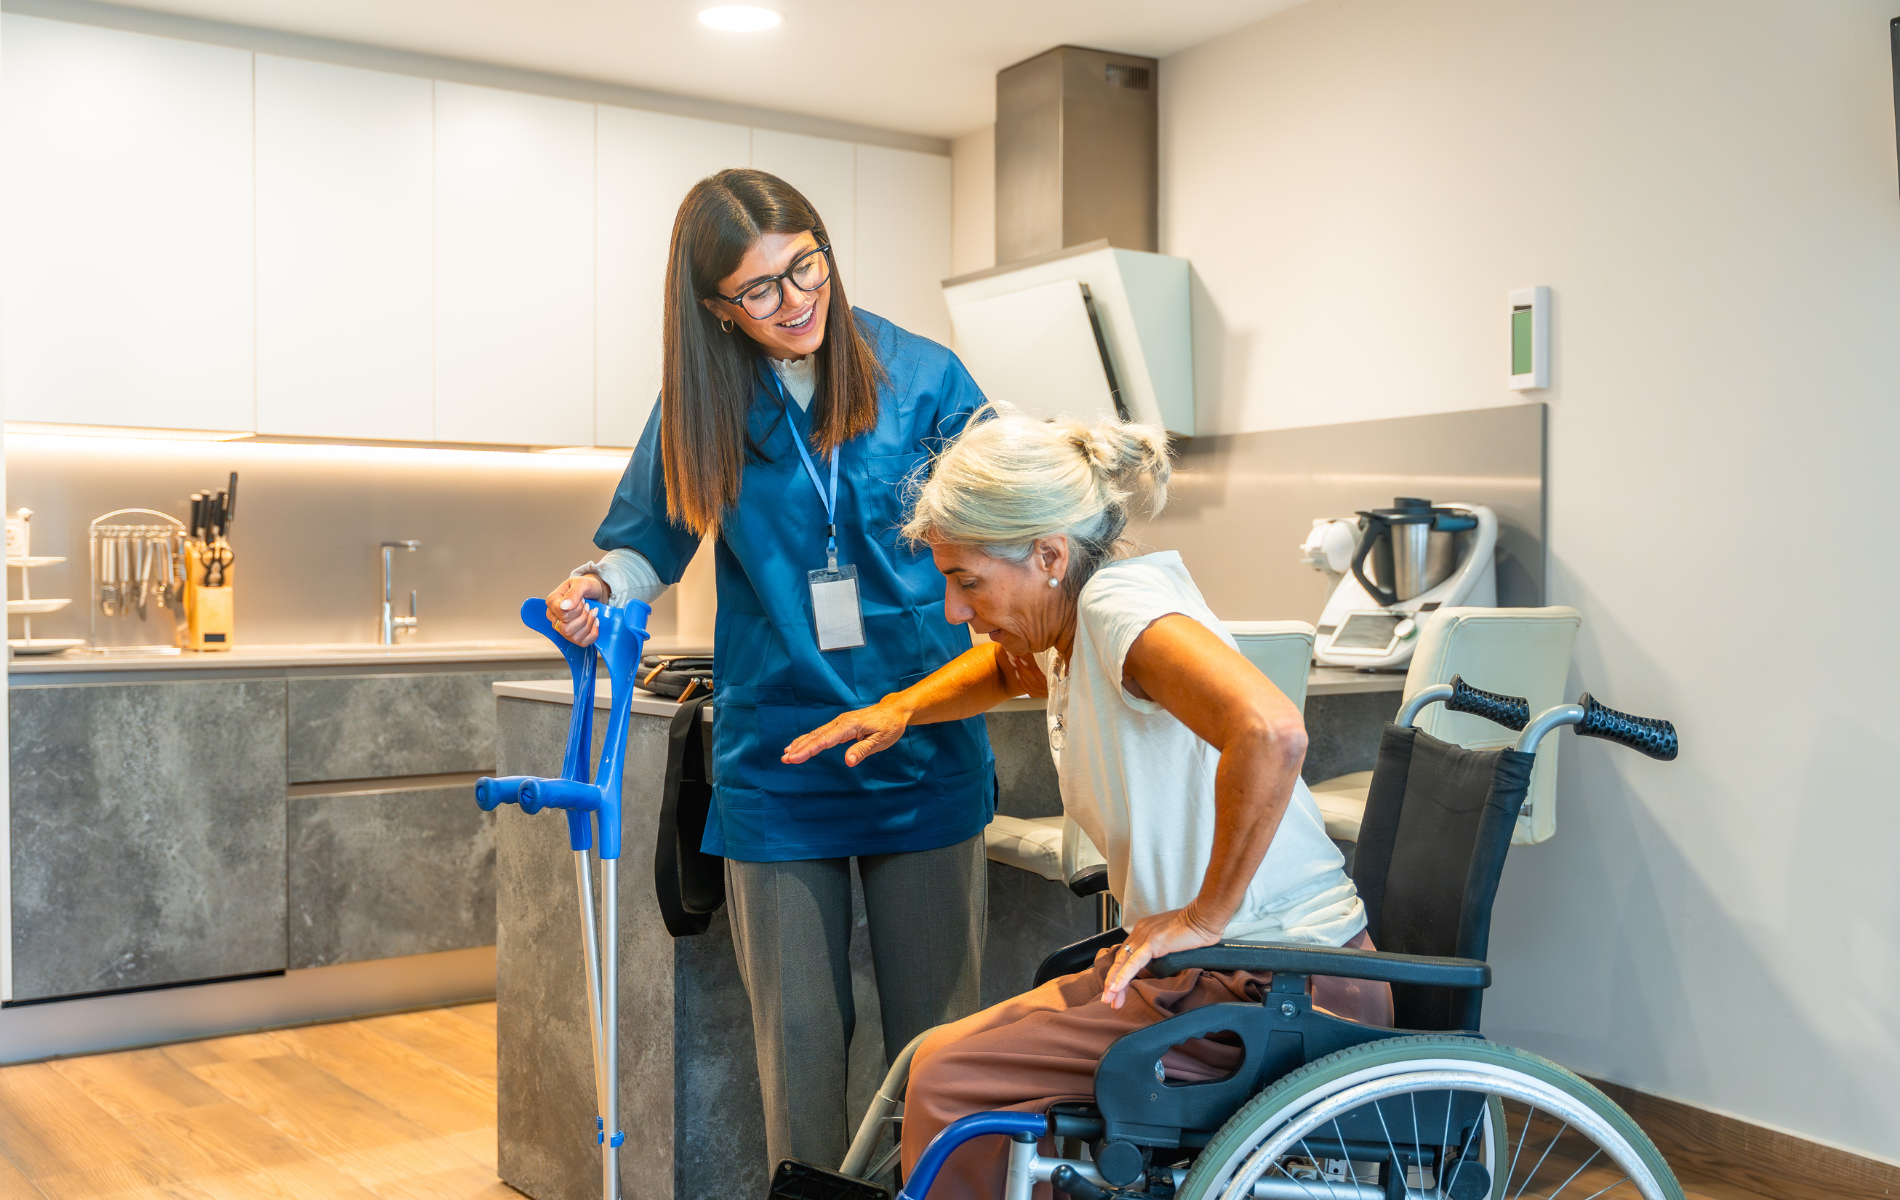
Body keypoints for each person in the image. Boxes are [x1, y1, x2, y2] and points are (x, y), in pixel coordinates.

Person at [782, 408, 1393, 1199]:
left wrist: (1205, 915)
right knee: (933, 1056)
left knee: (949, 1081)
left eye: (967, 580)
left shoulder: (1117, 609)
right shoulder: (1073, 621)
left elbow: (1272, 733)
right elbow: (1009, 673)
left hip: (1274, 985)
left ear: (1047, 554)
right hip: (1204, 974)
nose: (954, 611)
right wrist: (902, 708)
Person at [544, 169, 994, 1172]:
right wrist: (595, 587)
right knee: (796, 1051)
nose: (796, 304)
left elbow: (1006, 515)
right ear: (716, 308)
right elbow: (641, 546)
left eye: (806, 268)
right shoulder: (703, 402)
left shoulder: (922, 378)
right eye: (760, 291)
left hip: (921, 748)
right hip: (779, 763)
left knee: (939, 1051)